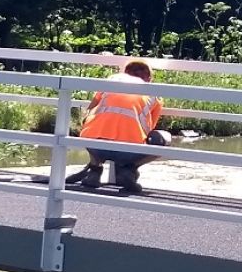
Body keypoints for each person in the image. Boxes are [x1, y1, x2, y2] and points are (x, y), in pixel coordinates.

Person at [63, 61, 170, 193]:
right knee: (164, 140)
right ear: (149, 78)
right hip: (127, 151)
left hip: (95, 146)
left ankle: (95, 170)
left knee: (91, 123)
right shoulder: (154, 94)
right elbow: (149, 130)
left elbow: (90, 110)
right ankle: (129, 169)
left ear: (124, 73)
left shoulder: (112, 80)